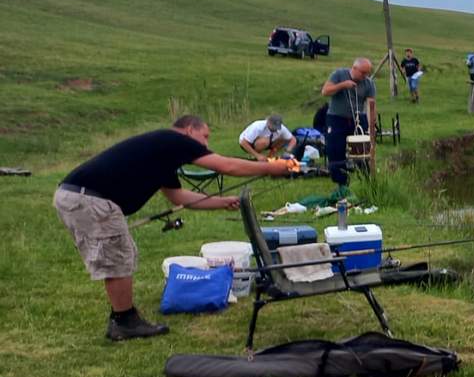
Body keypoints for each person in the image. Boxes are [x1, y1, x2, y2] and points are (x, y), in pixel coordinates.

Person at [54, 114, 296, 340]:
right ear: (189, 129)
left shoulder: (165, 151)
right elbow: (226, 166)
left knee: (122, 253)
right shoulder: (175, 140)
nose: (206, 143)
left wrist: (222, 202)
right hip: (90, 198)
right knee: (117, 257)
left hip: (78, 195)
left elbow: (178, 197)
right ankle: (124, 321)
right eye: (205, 136)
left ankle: (124, 318)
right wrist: (270, 167)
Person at [320, 57, 376, 187]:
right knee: (335, 151)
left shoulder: (369, 83)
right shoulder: (339, 74)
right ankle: (341, 184)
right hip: (336, 118)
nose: (365, 76)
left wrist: (371, 125)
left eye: (367, 73)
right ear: (354, 68)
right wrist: (343, 85)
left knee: (361, 151)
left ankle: (366, 181)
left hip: (357, 118)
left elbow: (371, 105)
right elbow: (325, 92)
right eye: (363, 73)